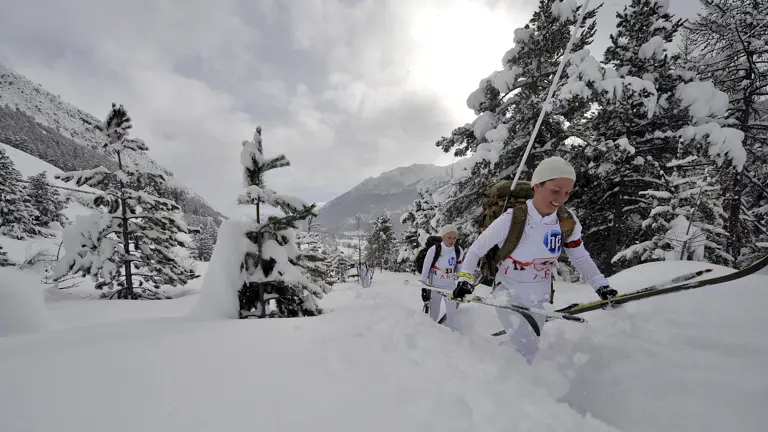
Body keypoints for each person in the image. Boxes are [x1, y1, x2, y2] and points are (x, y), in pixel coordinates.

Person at [454, 156, 617, 365]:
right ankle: (515, 389)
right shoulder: (512, 219)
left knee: (530, 343)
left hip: (541, 295)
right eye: (555, 190)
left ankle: (503, 368)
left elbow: (581, 256)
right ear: (537, 186)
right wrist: (464, 279)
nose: (561, 198)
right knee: (528, 348)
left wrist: (601, 286)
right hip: (509, 291)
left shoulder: (567, 222)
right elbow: (477, 250)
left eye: (567, 193)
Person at [420, 224, 464, 328]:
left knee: (451, 313)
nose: (452, 240)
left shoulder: (458, 251)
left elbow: (460, 270)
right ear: (443, 237)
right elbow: (425, 270)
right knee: (434, 312)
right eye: (449, 237)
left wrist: (462, 284)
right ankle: (431, 331)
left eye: (454, 238)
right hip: (435, 285)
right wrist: (424, 288)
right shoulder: (434, 250)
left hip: (450, 286)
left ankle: (451, 334)